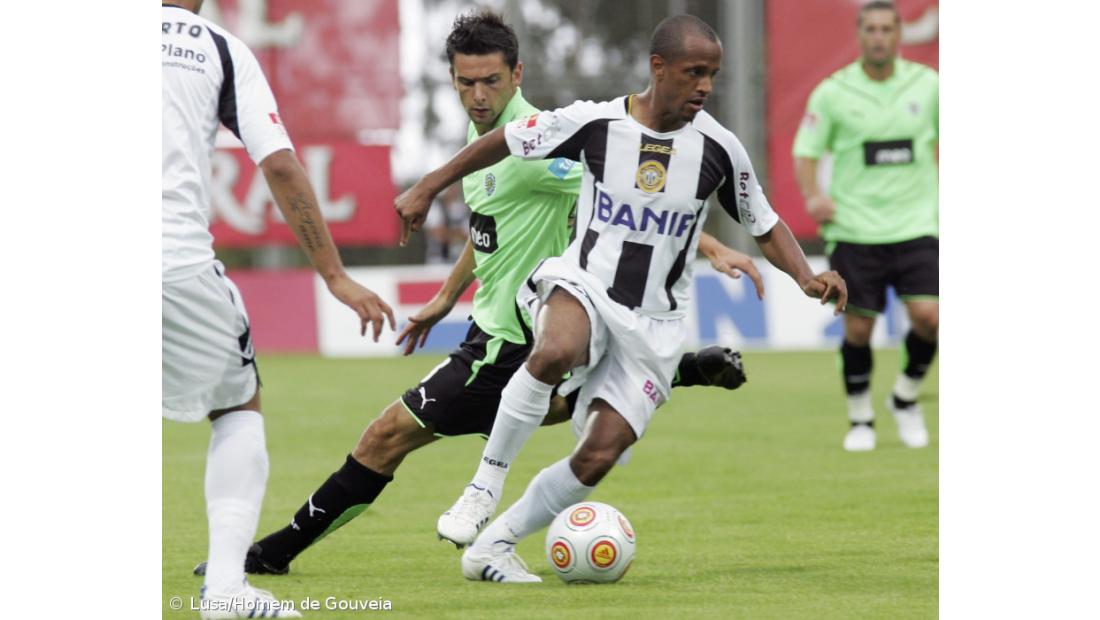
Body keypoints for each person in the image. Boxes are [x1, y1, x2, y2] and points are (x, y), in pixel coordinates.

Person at [191, 10, 757, 579]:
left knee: (386, 436)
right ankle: (675, 374)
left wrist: (710, 246)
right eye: (466, 83)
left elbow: (641, 196)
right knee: (557, 410)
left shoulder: (539, 146)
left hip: (515, 335)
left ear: (518, 74)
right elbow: (490, 223)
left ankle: (270, 555)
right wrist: (445, 295)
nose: (478, 96)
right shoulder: (478, 136)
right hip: (498, 328)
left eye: (491, 81)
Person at [399, 14, 848, 582]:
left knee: (597, 455)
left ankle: (493, 546)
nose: (705, 86)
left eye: (712, 74)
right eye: (694, 73)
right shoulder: (594, 122)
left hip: (654, 324)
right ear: (658, 69)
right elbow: (503, 142)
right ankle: (482, 487)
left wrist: (807, 277)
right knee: (556, 349)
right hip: (583, 282)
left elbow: (764, 223)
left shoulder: (720, 148)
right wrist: (425, 186)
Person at [162, 2, 394, 616]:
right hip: (174, 263)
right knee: (237, 406)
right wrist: (335, 276)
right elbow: (281, 165)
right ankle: (226, 592)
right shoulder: (219, 48)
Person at [792, 0, 938, 452]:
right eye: (871, 29)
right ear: (860, 35)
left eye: (887, 29)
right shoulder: (833, 93)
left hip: (916, 223)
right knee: (858, 331)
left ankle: (905, 398)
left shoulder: (929, 85)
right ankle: (860, 419)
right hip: (855, 229)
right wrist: (814, 196)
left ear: (900, 35)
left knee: (930, 318)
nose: (879, 36)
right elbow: (806, 151)